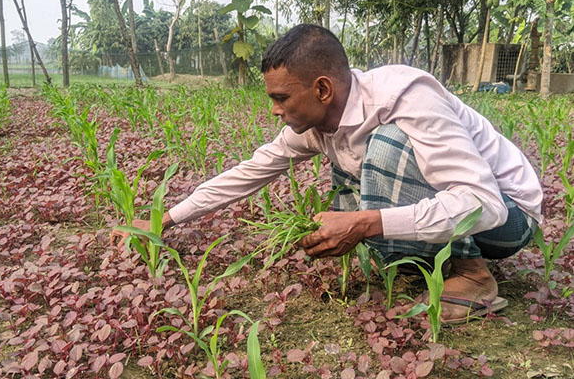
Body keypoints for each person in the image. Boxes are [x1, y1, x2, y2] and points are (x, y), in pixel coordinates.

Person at [111, 24, 542, 324]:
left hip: (508, 217)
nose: (274, 110)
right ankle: (426, 263)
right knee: (356, 168)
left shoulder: (405, 97)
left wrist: (365, 222)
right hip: (470, 210)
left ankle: (472, 274)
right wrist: (162, 220)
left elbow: (483, 205)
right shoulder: (315, 126)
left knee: (386, 146)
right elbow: (248, 172)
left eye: (281, 97)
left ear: (322, 89)